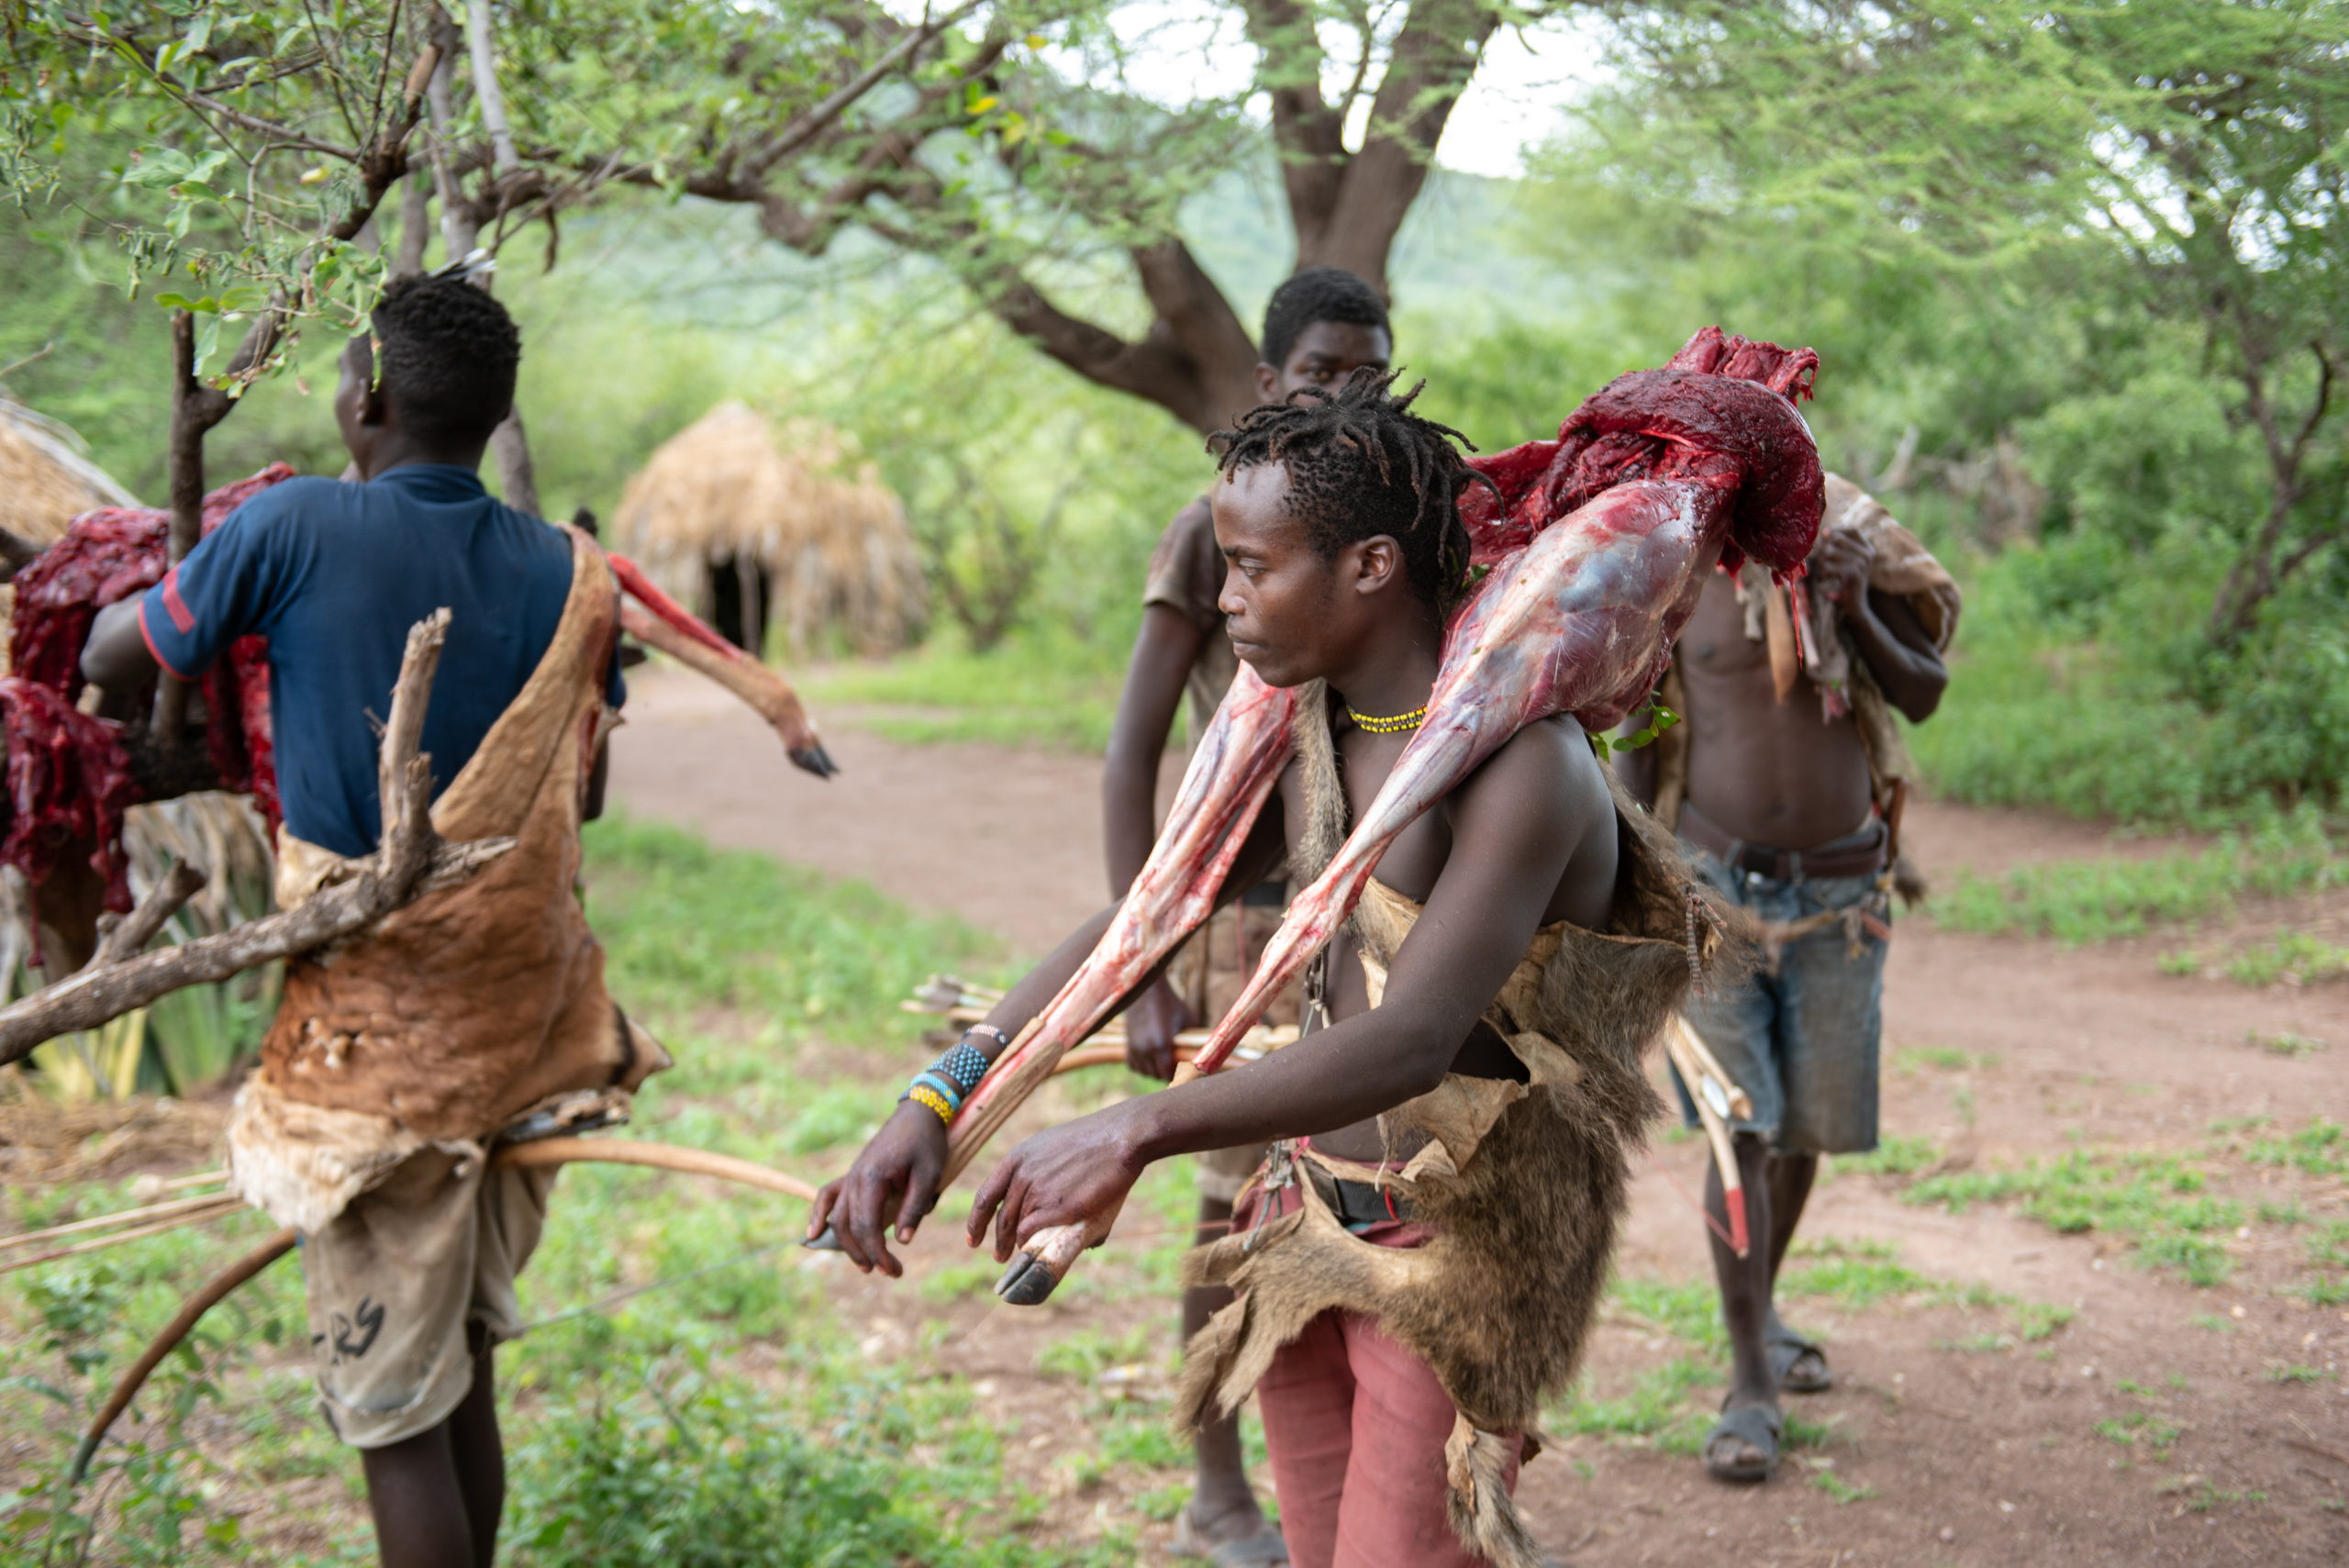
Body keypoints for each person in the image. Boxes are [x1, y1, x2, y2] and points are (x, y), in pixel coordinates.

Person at [816, 371, 1729, 1568]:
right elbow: (1145, 915)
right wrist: (942, 1094)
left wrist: (1133, 1129)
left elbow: (1410, 1038)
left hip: (1458, 1264)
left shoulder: (1527, 768)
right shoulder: (1319, 728)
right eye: (1225, 566)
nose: (1225, 597)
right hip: (1301, 1230)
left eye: (1254, 567)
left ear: (1368, 567)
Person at [82, 272, 652, 1568]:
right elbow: (588, 788)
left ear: (370, 401)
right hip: (524, 1018)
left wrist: (113, 586)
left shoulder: (291, 523)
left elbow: (122, 657)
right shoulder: (576, 570)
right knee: (459, 1373)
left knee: (394, 1419)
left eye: (346, 382)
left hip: (374, 1045)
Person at [1100, 264, 1391, 1566]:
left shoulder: (1394, 535)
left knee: (1370, 1199)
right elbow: (1133, 750)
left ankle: (1387, 1486)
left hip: (1366, 917)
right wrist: (1144, 962)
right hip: (1243, 917)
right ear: (1270, 383)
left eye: (1369, 372)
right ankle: (1219, 1482)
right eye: (1324, 372)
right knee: (1234, 1209)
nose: (1348, 393)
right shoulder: (1210, 523)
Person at [1617, 473, 1956, 1485]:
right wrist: (1636, 877)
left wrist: (1851, 602)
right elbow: (1638, 733)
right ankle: (1749, 1375)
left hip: (1843, 898)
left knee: (1803, 1129)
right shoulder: (1674, 572)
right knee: (1740, 1129)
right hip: (1713, 891)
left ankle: (1757, 1305)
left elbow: (1923, 692)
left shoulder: (1853, 550)